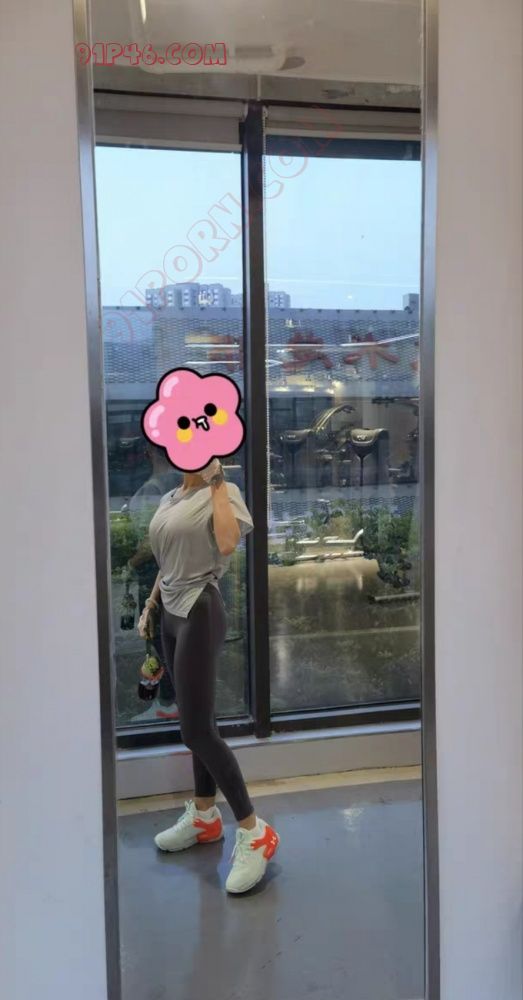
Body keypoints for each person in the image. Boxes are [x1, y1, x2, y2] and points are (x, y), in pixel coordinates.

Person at [138, 458, 280, 894]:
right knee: (197, 719)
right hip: (169, 611)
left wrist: (217, 479)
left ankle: (255, 831)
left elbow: (228, 542)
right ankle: (204, 816)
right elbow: (168, 560)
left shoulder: (224, 492)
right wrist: (151, 602)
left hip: (200, 608)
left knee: (196, 730)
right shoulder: (170, 497)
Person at [127, 442, 180, 719]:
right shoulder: (182, 484)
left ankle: (166, 704)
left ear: (150, 454)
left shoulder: (154, 490)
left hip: (153, 576)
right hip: (174, 575)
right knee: (168, 642)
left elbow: (150, 542)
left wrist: (129, 563)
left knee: (157, 642)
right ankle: (171, 702)